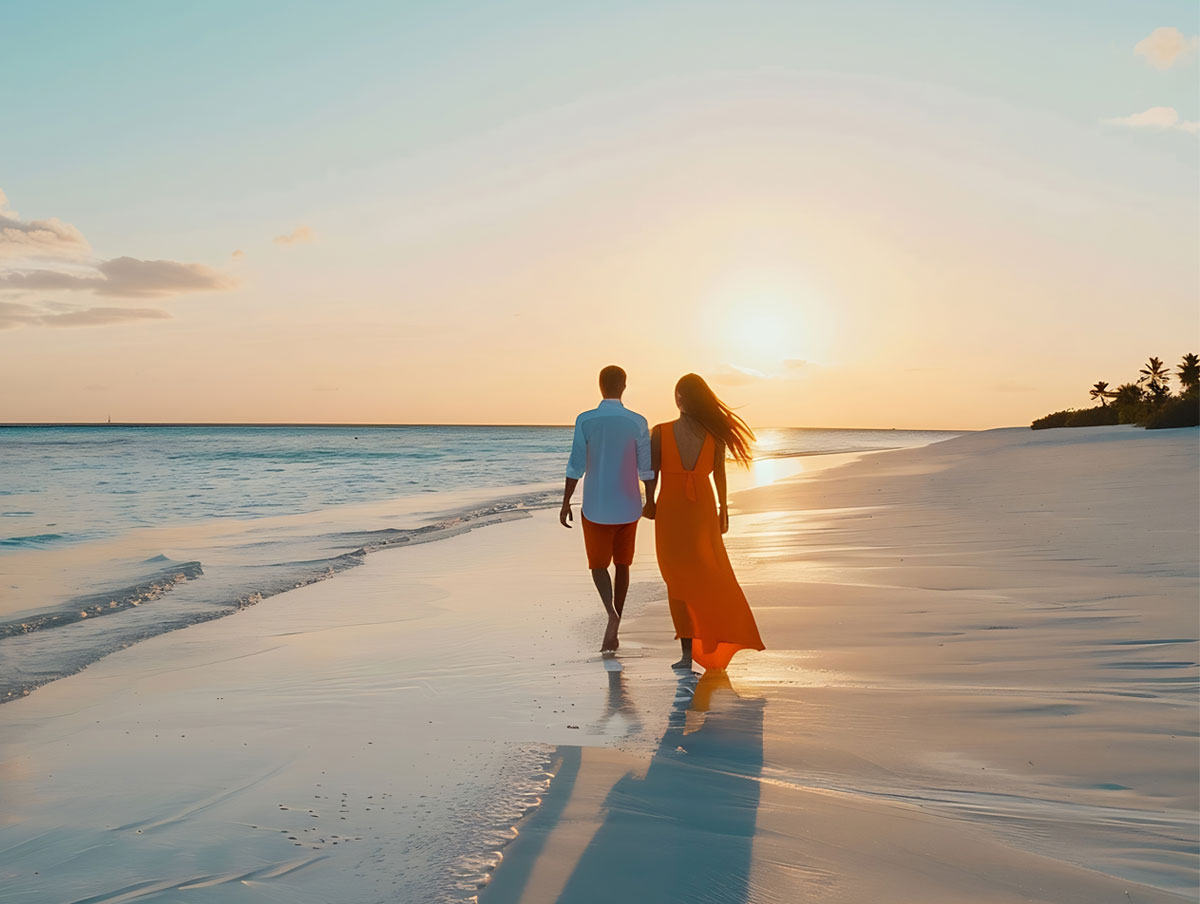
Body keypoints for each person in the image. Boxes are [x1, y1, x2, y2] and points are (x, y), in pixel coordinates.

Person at [642, 373, 765, 671]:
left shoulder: (660, 431)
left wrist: (650, 501)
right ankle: (711, 640)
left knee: (677, 579)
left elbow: (651, 472)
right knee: (708, 573)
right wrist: (724, 509)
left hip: (671, 510)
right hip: (703, 510)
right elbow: (719, 474)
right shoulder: (715, 436)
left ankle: (687, 654)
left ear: (681, 398)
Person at [561, 365, 655, 653]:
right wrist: (650, 501)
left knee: (599, 565)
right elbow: (646, 468)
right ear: (624, 386)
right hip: (628, 506)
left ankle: (610, 614)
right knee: (623, 564)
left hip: (596, 505)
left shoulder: (586, 420)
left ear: (600, 385)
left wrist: (566, 501)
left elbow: (576, 464)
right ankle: (619, 617)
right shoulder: (638, 422)